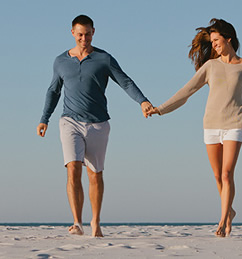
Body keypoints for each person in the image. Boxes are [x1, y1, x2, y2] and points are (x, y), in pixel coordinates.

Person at [148, 18, 242, 237]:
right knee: (216, 175)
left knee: (226, 173)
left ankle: (222, 220)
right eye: (211, 41)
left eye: (216, 40)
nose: (213, 44)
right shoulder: (211, 66)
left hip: (235, 124)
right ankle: (229, 210)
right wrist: (161, 109)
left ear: (228, 39)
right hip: (211, 125)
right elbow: (187, 91)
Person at [36, 15, 153, 237]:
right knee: (73, 168)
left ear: (93, 32)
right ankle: (77, 222)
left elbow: (125, 81)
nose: (84, 38)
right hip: (69, 120)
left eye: (88, 34)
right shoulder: (60, 61)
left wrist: (143, 101)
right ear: (72, 33)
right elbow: (53, 91)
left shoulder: (103, 58)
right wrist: (44, 118)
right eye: (80, 34)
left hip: (98, 123)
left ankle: (96, 222)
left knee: (95, 174)